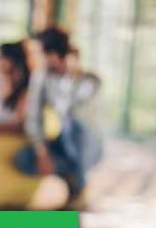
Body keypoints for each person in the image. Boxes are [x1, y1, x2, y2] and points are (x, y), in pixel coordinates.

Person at [15, 26, 102, 206]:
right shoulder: (41, 76)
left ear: (53, 54)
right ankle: (70, 177)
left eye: (37, 53)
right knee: (22, 159)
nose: (32, 59)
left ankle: (79, 186)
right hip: (63, 144)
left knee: (74, 124)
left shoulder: (89, 80)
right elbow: (33, 116)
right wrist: (42, 151)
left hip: (85, 144)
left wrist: (70, 76)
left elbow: (75, 112)